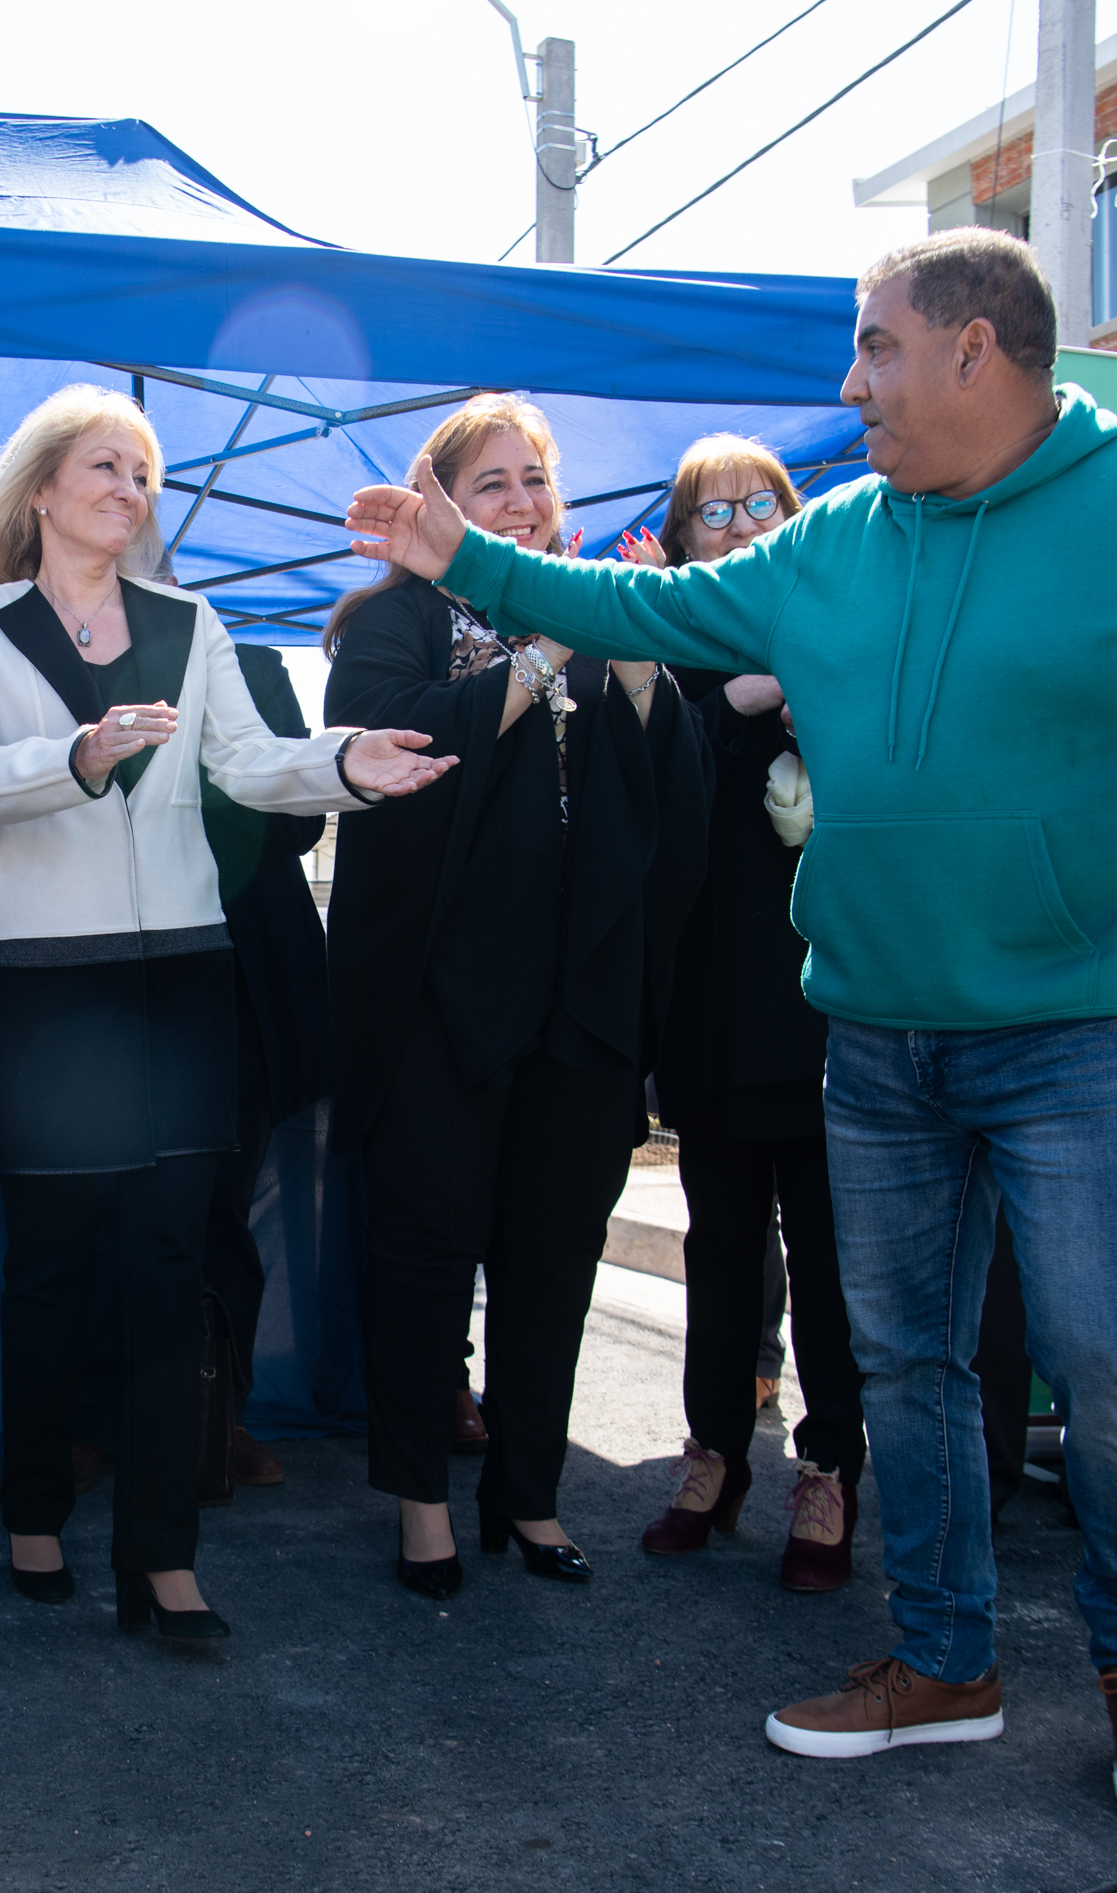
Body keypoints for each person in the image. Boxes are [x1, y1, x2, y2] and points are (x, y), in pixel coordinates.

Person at [343, 227, 1117, 1831]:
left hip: (1080, 1026)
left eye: (878, 348)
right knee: (907, 1364)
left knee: (1107, 1363)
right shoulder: (837, 541)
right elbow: (647, 603)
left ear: (978, 350)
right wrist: (458, 554)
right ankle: (945, 1657)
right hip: (877, 1036)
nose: (851, 382)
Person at [0, 385, 447, 1638]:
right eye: (106, 465)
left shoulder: (190, 618)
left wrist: (342, 763)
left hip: (179, 987)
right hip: (47, 995)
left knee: (168, 1272)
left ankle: (164, 1555)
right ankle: (34, 1516)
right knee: (50, 1273)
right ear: (42, 489)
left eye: (145, 472)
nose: (130, 487)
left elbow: (244, 763)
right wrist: (80, 756)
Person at [324, 392, 706, 1602]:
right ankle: (424, 1503)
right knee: (427, 1254)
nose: (523, 504)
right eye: (492, 484)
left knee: (554, 1258)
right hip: (437, 1002)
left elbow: (676, 806)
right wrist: (533, 653)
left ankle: (530, 1497)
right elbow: (388, 752)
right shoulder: (394, 619)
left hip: (578, 1001)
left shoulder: (607, 629)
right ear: (440, 504)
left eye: (536, 481)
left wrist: (638, 669)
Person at [628, 436, 867, 1593]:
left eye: (761, 504)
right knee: (721, 1246)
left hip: (837, 1007)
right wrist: (753, 692)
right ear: (679, 544)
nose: (740, 524)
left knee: (830, 1258)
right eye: (711, 511)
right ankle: (715, 1453)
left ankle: (830, 1469)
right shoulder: (669, 662)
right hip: (716, 1009)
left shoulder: (852, 635)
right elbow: (663, 790)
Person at [200, 634, 335, 1487]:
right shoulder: (51, 662)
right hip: (110, 984)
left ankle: (219, 1414)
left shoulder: (250, 667)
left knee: (220, 1210)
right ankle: (95, 1419)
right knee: (98, 1213)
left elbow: (302, 820)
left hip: (242, 985)